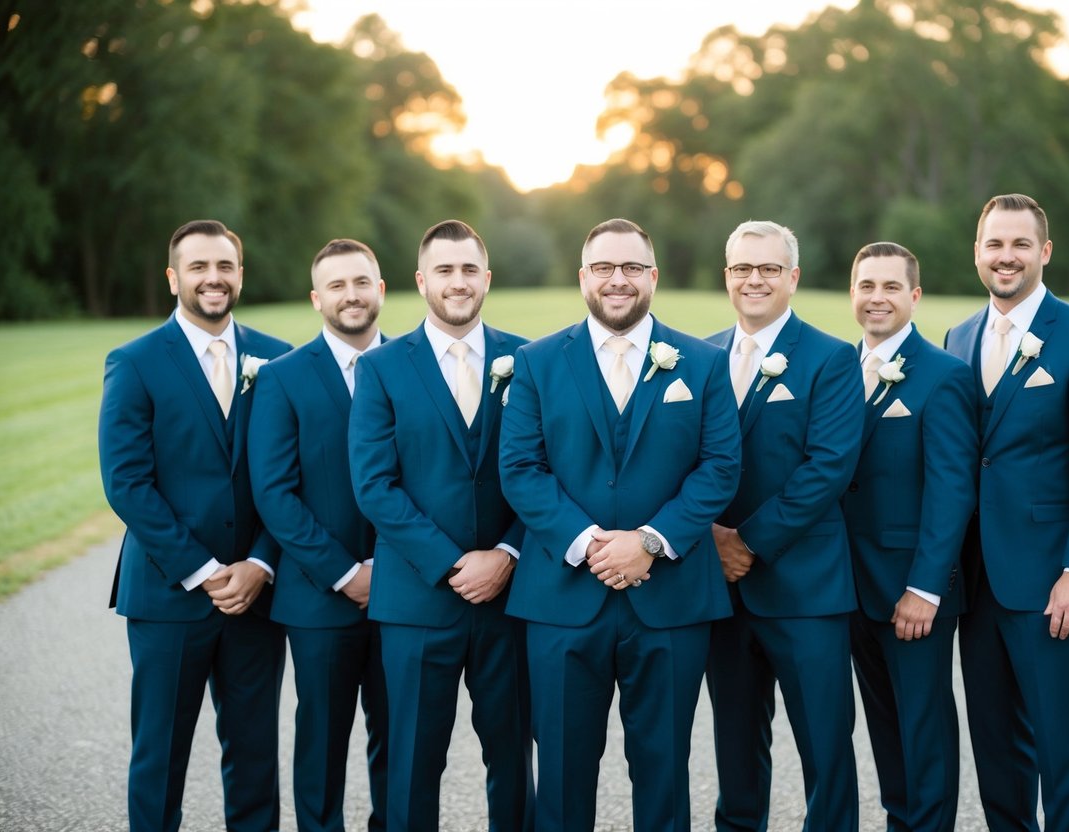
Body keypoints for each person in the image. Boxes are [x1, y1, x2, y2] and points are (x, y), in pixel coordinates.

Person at [499, 218, 740, 832]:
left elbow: (719, 468)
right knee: (560, 771)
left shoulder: (704, 364)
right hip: (561, 600)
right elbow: (521, 469)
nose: (618, 279)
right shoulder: (537, 361)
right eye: (604, 267)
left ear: (653, 277)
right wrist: (591, 546)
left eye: (632, 267)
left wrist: (651, 543)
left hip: (672, 599)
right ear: (583, 278)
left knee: (663, 768)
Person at [944, 193, 1069, 832]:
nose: (1006, 257)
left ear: (1044, 252)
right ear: (977, 252)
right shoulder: (959, 336)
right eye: (994, 244)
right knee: (996, 744)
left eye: (1020, 244)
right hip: (977, 580)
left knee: (1059, 740)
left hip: (1054, 582)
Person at [98, 219, 291, 832]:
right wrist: (206, 572)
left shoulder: (278, 359)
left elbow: (290, 480)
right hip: (168, 593)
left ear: (240, 273)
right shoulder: (134, 363)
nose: (214, 278)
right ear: (173, 277)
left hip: (257, 596)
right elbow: (127, 484)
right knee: (160, 756)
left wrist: (259, 563)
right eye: (199, 267)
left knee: (256, 755)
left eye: (225, 266)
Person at [348, 220, 534, 832]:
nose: (458, 282)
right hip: (418, 599)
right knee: (413, 760)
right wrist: (456, 564)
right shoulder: (380, 369)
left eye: (469, 270)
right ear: (422, 280)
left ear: (487, 277)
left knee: (511, 753)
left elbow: (550, 472)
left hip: (510, 597)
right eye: (445, 271)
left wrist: (506, 553)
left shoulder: (528, 360)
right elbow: (375, 485)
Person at [703, 220, 864, 832]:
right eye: (744, 268)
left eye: (769, 268)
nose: (755, 279)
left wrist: (747, 542)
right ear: (727, 277)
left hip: (805, 590)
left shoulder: (829, 358)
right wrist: (711, 540)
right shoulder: (699, 355)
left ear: (792, 277)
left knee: (824, 746)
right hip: (721, 588)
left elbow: (827, 468)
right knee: (736, 744)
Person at [248, 238, 389, 831]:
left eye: (361, 282)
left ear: (381, 289)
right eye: (337, 285)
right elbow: (275, 493)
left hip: (404, 590)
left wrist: (391, 568)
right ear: (316, 298)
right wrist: (345, 573)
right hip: (318, 597)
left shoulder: (410, 363)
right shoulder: (283, 378)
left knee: (401, 740)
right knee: (322, 740)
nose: (351, 295)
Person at [842, 242, 978, 832]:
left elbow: (952, 491)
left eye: (891, 286)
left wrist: (926, 587)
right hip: (847, 586)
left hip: (911, 591)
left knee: (924, 726)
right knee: (883, 725)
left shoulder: (945, 376)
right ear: (852, 294)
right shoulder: (837, 368)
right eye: (867, 285)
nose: (878, 298)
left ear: (914, 296)